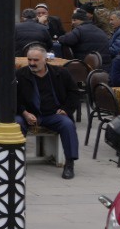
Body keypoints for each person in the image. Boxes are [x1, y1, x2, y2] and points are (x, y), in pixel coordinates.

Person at [17, 44, 80, 180]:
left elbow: (74, 93)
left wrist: (66, 109)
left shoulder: (60, 73)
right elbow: (12, 98)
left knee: (67, 124)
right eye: (30, 60)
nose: (32, 63)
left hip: (53, 114)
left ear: (45, 60)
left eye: (36, 60)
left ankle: (69, 163)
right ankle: (18, 162)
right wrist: (24, 113)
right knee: (17, 123)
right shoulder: (20, 75)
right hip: (28, 114)